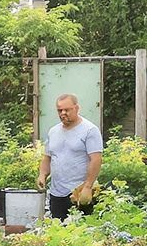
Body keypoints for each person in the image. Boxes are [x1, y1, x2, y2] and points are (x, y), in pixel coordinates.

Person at [37, 93, 103, 221]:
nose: (63, 113)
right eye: (59, 110)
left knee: (81, 233)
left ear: (76, 108)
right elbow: (47, 157)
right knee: (58, 234)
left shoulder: (89, 130)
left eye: (67, 110)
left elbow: (96, 159)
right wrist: (42, 175)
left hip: (79, 193)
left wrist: (88, 187)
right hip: (57, 194)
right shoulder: (53, 131)